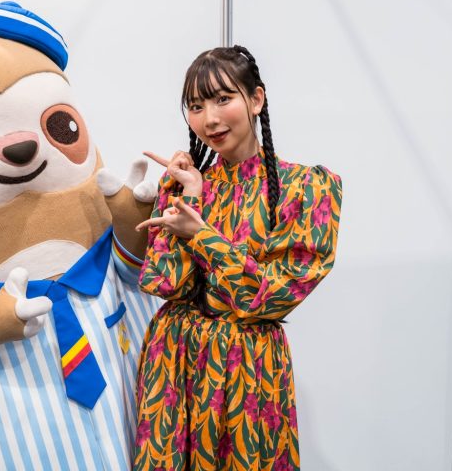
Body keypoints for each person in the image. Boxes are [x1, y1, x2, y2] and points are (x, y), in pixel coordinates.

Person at [133, 45, 342, 470]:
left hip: (248, 369)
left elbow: (272, 297)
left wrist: (202, 236)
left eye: (222, 99)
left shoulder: (306, 188)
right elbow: (165, 283)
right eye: (196, 106)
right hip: (173, 362)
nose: (209, 119)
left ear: (256, 99)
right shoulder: (188, 185)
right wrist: (189, 193)